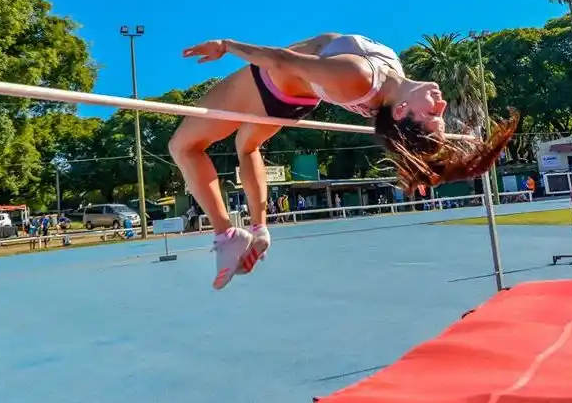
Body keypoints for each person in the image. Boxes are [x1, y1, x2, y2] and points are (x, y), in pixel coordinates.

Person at [168, 33, 517, 290]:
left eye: (431, 113)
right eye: (439, 113)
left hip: (265, 85)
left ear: (402, 110)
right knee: (246, 148)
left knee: (183, 146)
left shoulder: (360, 75)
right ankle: (258, 229)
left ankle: (225, 235)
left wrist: (227, 46)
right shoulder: (389, 85)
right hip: (292, 101)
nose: (441, 104)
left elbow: (280, 60)